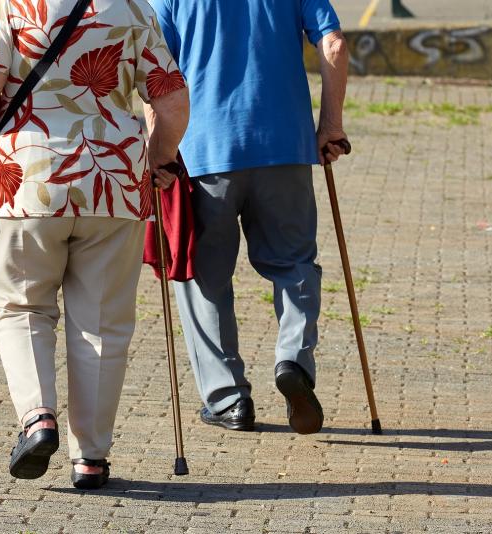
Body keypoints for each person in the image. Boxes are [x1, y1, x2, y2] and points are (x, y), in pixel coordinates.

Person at [0, 0, 189, 489]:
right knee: (102, 322)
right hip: (115, 182)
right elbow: (171, 100)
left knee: (22, 307)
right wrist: (159, 156)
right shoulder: (133, 8)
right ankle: (91, 459)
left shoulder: (14, 5)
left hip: (26, 181)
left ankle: (37, 419)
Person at [149, 0, 349, 433]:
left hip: (204, 151)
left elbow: (157, 75)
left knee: (204, 277)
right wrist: (330, 125)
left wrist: (159, 153)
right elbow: (333, 45)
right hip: (285, 146)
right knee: (294, 263)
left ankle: (229, 400)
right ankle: (293, 359)